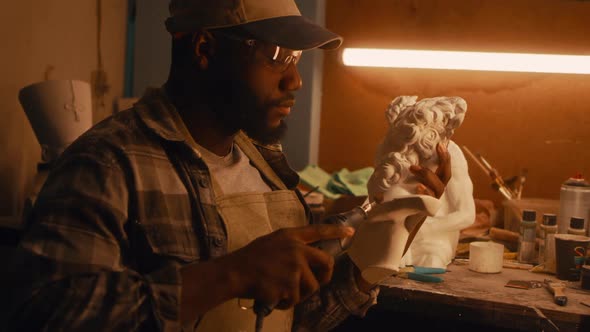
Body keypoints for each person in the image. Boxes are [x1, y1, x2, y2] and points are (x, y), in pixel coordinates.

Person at [4, 0, 451, 331]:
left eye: (296, 60)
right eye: (277, 57)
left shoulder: (264, 164)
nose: (295, 80)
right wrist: (231, 274)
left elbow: (297, 316)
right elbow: (43, 313)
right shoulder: (109, 163)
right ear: (204, 48)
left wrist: (396, 219)